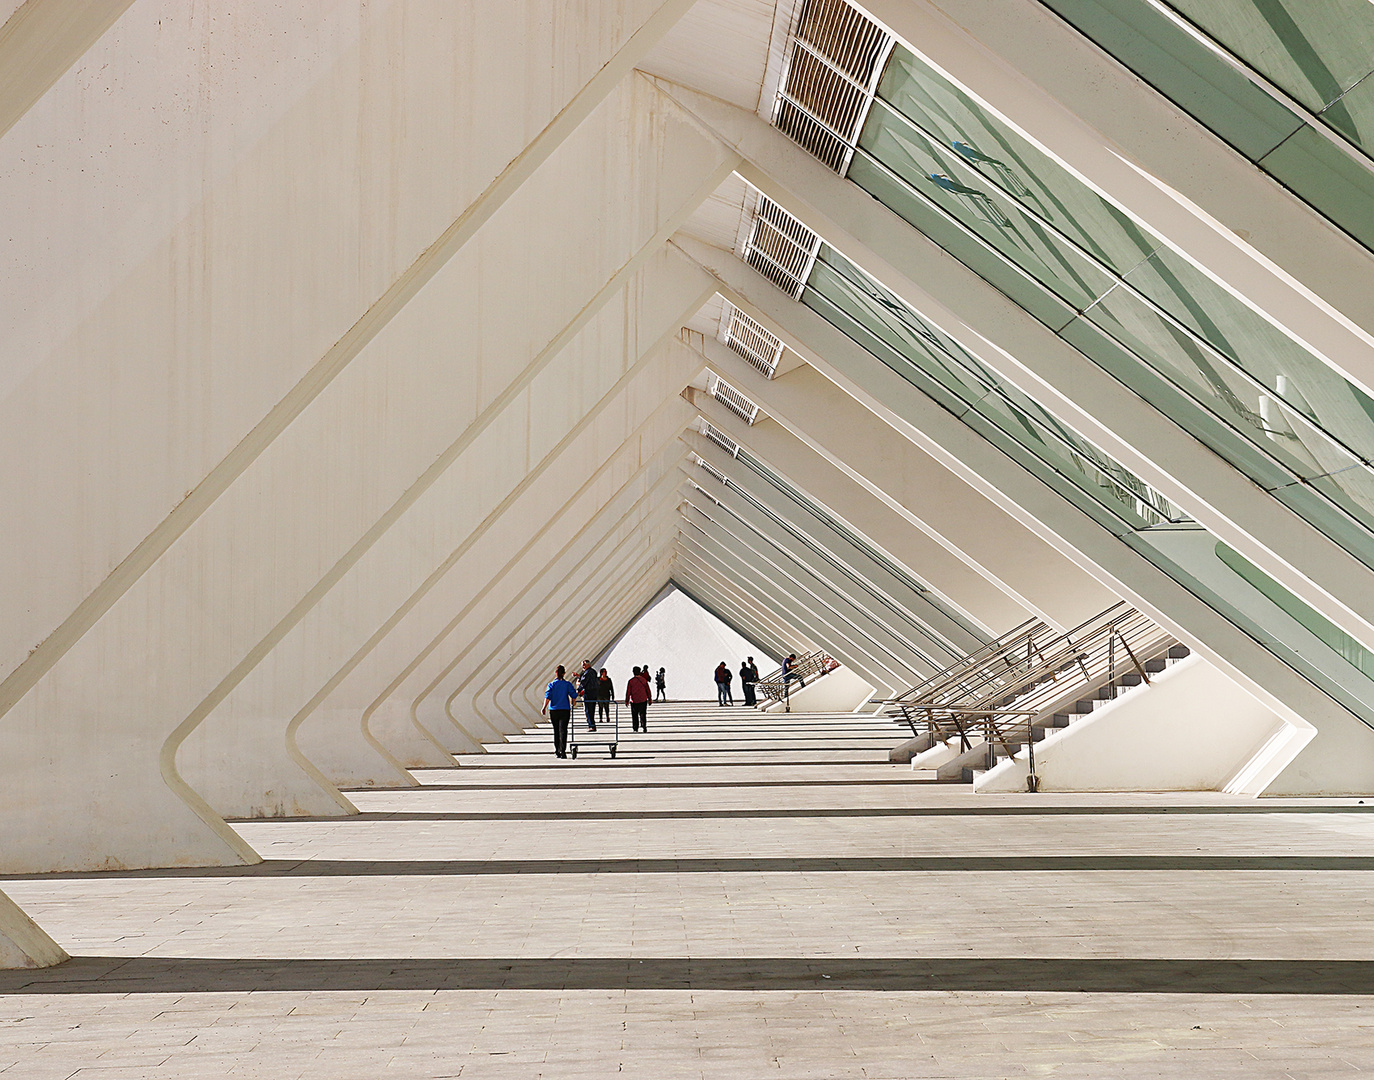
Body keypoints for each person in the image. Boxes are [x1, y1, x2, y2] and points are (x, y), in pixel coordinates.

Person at [542, 664, 578, 758]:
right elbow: (574, 694)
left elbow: (548, 696)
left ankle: (557, 750)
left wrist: (544, 707)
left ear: (556, 673)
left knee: (556, 730)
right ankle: (563, 751)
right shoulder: (567, 684)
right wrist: (573, 702)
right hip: (565, 709)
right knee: (563, 730)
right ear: (564, 673)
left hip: (554, 710)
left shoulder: (551, 684)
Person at [626, 665, 651, 732]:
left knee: (634, 715)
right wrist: (650, 698)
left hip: (634, 700)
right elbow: (648, 690)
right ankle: (644, 726)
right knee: (643, 714)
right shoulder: (644, 680)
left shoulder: (631, 681)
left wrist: (627, 700)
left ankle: (635, 728)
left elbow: (628, 691)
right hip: (643, 699)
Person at [577, 660, 599, 732]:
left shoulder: (587, 673)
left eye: (583, 665)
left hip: (588, 693)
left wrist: (578, 690)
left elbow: (583, 683)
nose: (582, 667)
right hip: (594, 693)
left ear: (588, 665)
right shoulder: (593, 672)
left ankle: (591, 725)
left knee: (588, 710)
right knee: (592, 710)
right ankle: (592, 725)